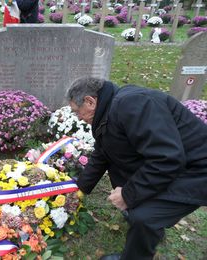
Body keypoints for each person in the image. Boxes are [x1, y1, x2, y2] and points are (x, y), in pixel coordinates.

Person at [67, 77, 207, 260]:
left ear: (90, 101)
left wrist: (128, 194)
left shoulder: (133, 104)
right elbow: (102, 153)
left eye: (78, 112)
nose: (78, 118)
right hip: (178, 164)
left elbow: (167, 158)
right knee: (137, 200)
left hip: (197, 170)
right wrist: (80, 189)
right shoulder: (108, 111)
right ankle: (151, 231)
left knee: (144, 217)